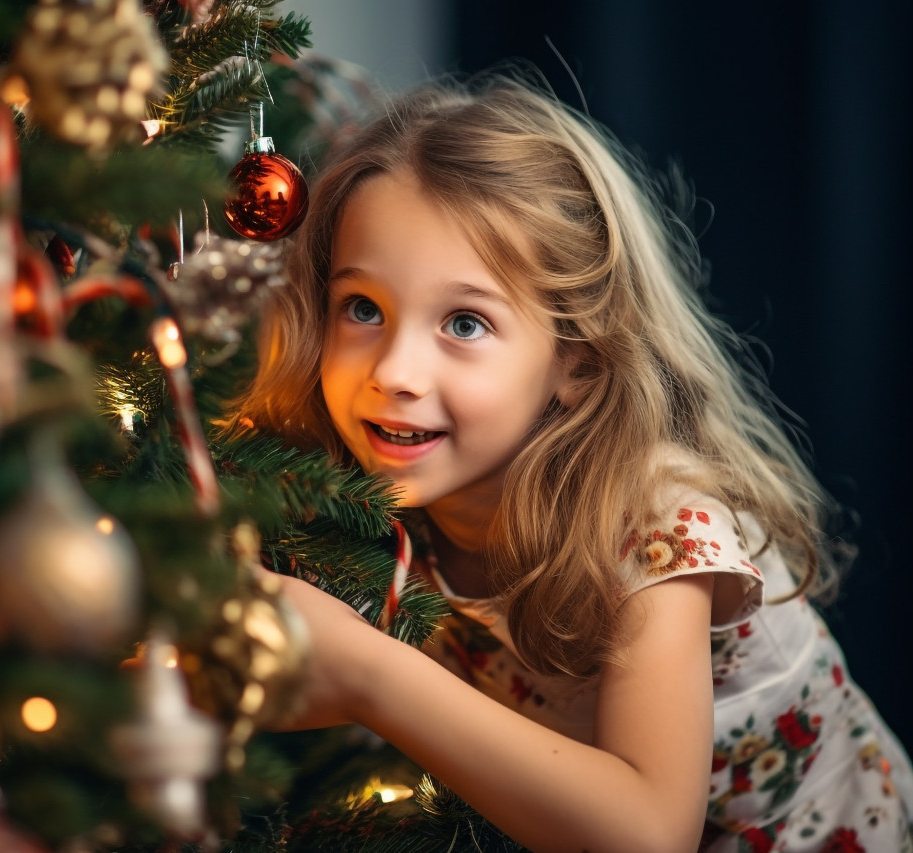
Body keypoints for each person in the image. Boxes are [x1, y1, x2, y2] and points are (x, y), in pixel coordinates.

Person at [226, 67, 913, 853]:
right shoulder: (350, 491)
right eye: (363, 308)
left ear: (576, 361)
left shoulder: (657, 521)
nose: (395, 372)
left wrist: (367, 675)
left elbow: (649, 832)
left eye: (465, 323)